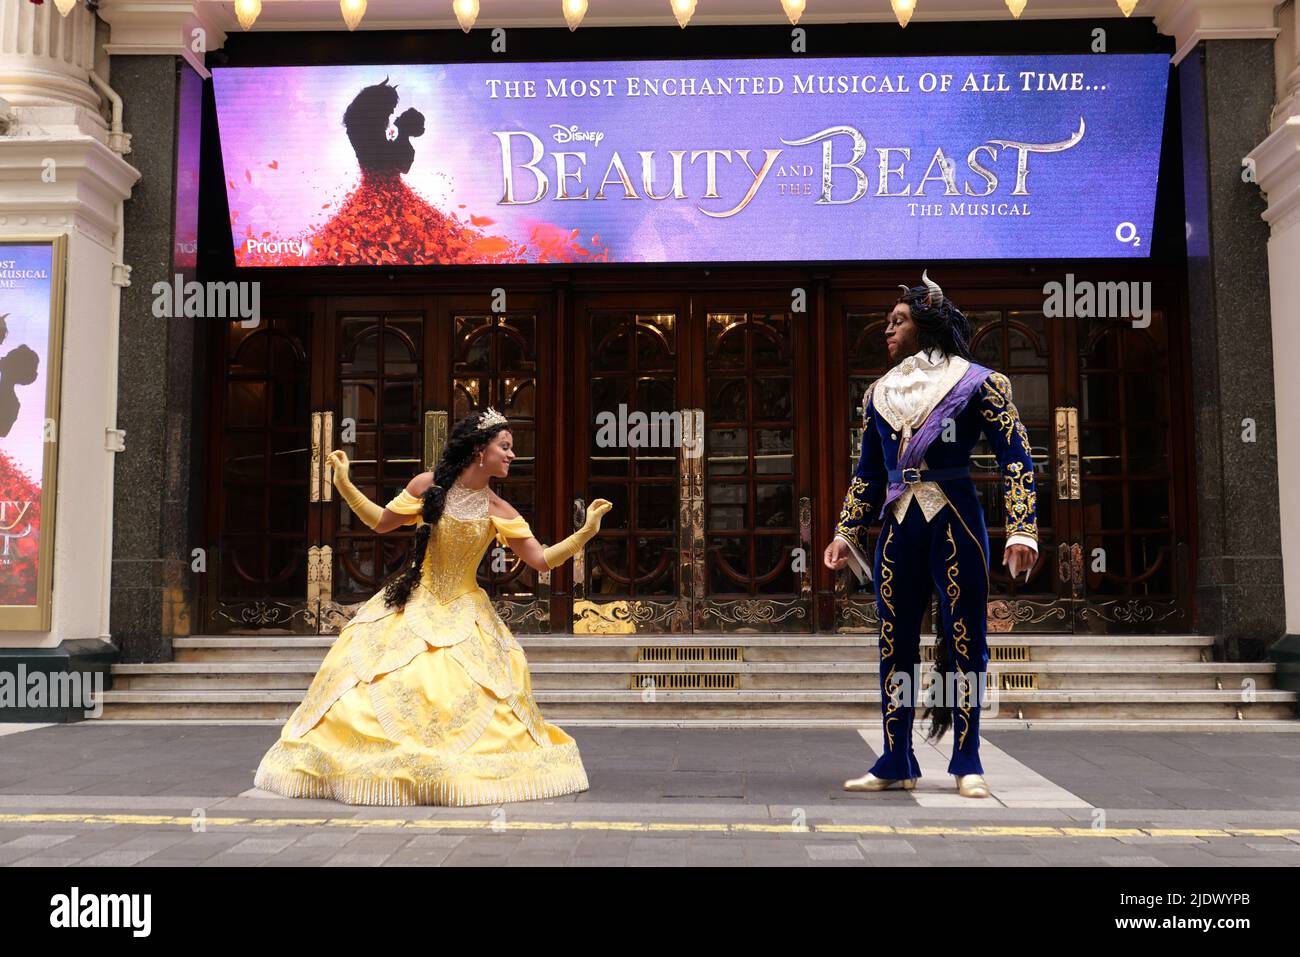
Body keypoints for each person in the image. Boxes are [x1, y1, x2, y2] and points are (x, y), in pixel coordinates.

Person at [254, 406, 612, 806]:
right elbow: (380, 522)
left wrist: (585, 532)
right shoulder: (429, 485)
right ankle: (382, 769)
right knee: (385, 680)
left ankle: (449, 771)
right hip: (413, 604)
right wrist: (344, 484)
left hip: (465, 611)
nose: (512, 455)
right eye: (505, 447)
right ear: (480, 450)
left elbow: (541, 560)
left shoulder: (499, 510)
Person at [823, 272, 1038, 799]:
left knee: (966, 641)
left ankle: (967, 759)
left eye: (898, 321)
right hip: (897, 527)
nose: (887, 331)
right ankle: (896, 758)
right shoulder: (878, 393)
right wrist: (846, 531)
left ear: (927, 325)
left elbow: (1016, 455)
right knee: (892, 642)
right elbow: (868, 472)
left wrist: (1022, 530)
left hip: (956, 521)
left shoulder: (981, 382)